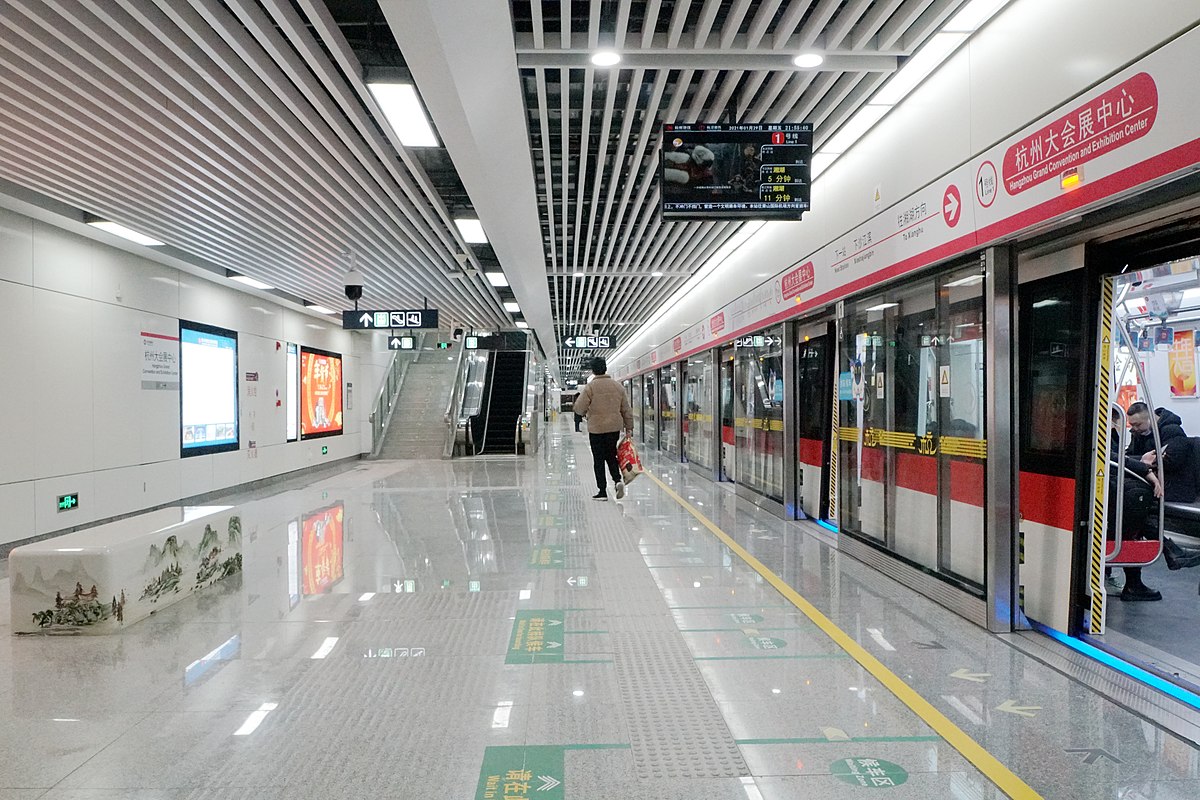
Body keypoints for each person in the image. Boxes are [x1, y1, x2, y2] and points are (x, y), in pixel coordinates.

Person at [1106, 408, 1164, 601]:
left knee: (1132, 516)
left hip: (1116, 488)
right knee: (1132, 521)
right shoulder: (1112, 434)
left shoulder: (1168, 432)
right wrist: (1145, 468)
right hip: (1118, 488)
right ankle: (1134, 583)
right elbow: (1115, 457)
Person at [572, 356, 634, 501]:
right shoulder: (618, 386)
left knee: (598, 459)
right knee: (611, 455)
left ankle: (602, 491)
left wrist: (586, 412)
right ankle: (617, 480)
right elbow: (626, 409)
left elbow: (579, 408)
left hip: (596, 429)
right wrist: (629, 428)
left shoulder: (590, 387)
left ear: (593, 371)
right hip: (614, 428)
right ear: (605, 368)